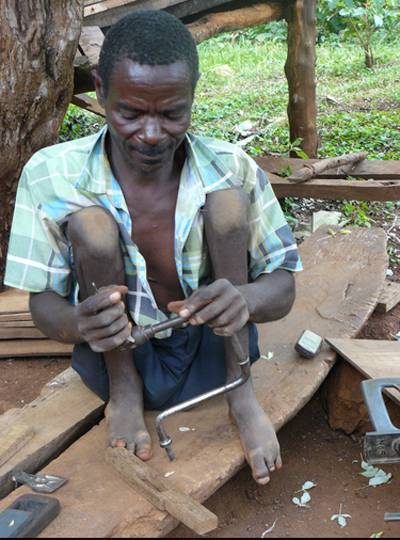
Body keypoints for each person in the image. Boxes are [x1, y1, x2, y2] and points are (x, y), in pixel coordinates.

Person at [4, 10, 302, 485]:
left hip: (213, 348)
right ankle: (125, 392)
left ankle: (240, 392)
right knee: (93, 226)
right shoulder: (51, 175)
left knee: (226, 207)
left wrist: (241, 300)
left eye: (171, 113)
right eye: (130, 112)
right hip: (116, 360)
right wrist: (80, 323)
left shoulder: (231, 167)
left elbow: (282, 286)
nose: (150, 133)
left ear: (191, 98)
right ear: (101, 92)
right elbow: (43, 304)